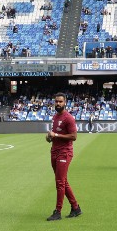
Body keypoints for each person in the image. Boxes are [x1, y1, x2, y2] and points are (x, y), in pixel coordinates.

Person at [46, 93, 81, 221]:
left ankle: (58, 211)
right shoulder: (55, 117)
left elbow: (74, 136)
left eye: (60, 101)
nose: (58, 104)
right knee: (63, 181)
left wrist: (56, 135)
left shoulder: (69, 118)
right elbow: (55, 135)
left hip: (64, 152)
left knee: (60, 182)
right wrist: (50, 137)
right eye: (56, 101)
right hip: (54, 151)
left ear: (65, 102)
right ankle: (76, 208)